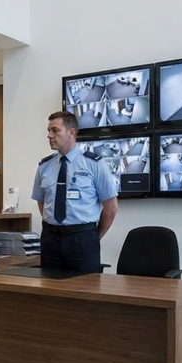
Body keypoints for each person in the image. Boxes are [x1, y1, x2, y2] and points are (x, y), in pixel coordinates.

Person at [31, 111, 119, 272]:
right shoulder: (44, 166)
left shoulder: (94, 164)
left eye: (55, 130)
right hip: (50, 239)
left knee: (85, 292)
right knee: (50, 291)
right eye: (48, 131)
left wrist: (93, 236)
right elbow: (42, 201)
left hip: (83, 238)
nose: (49, 135)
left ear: (71, 132)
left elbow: (111, 207)